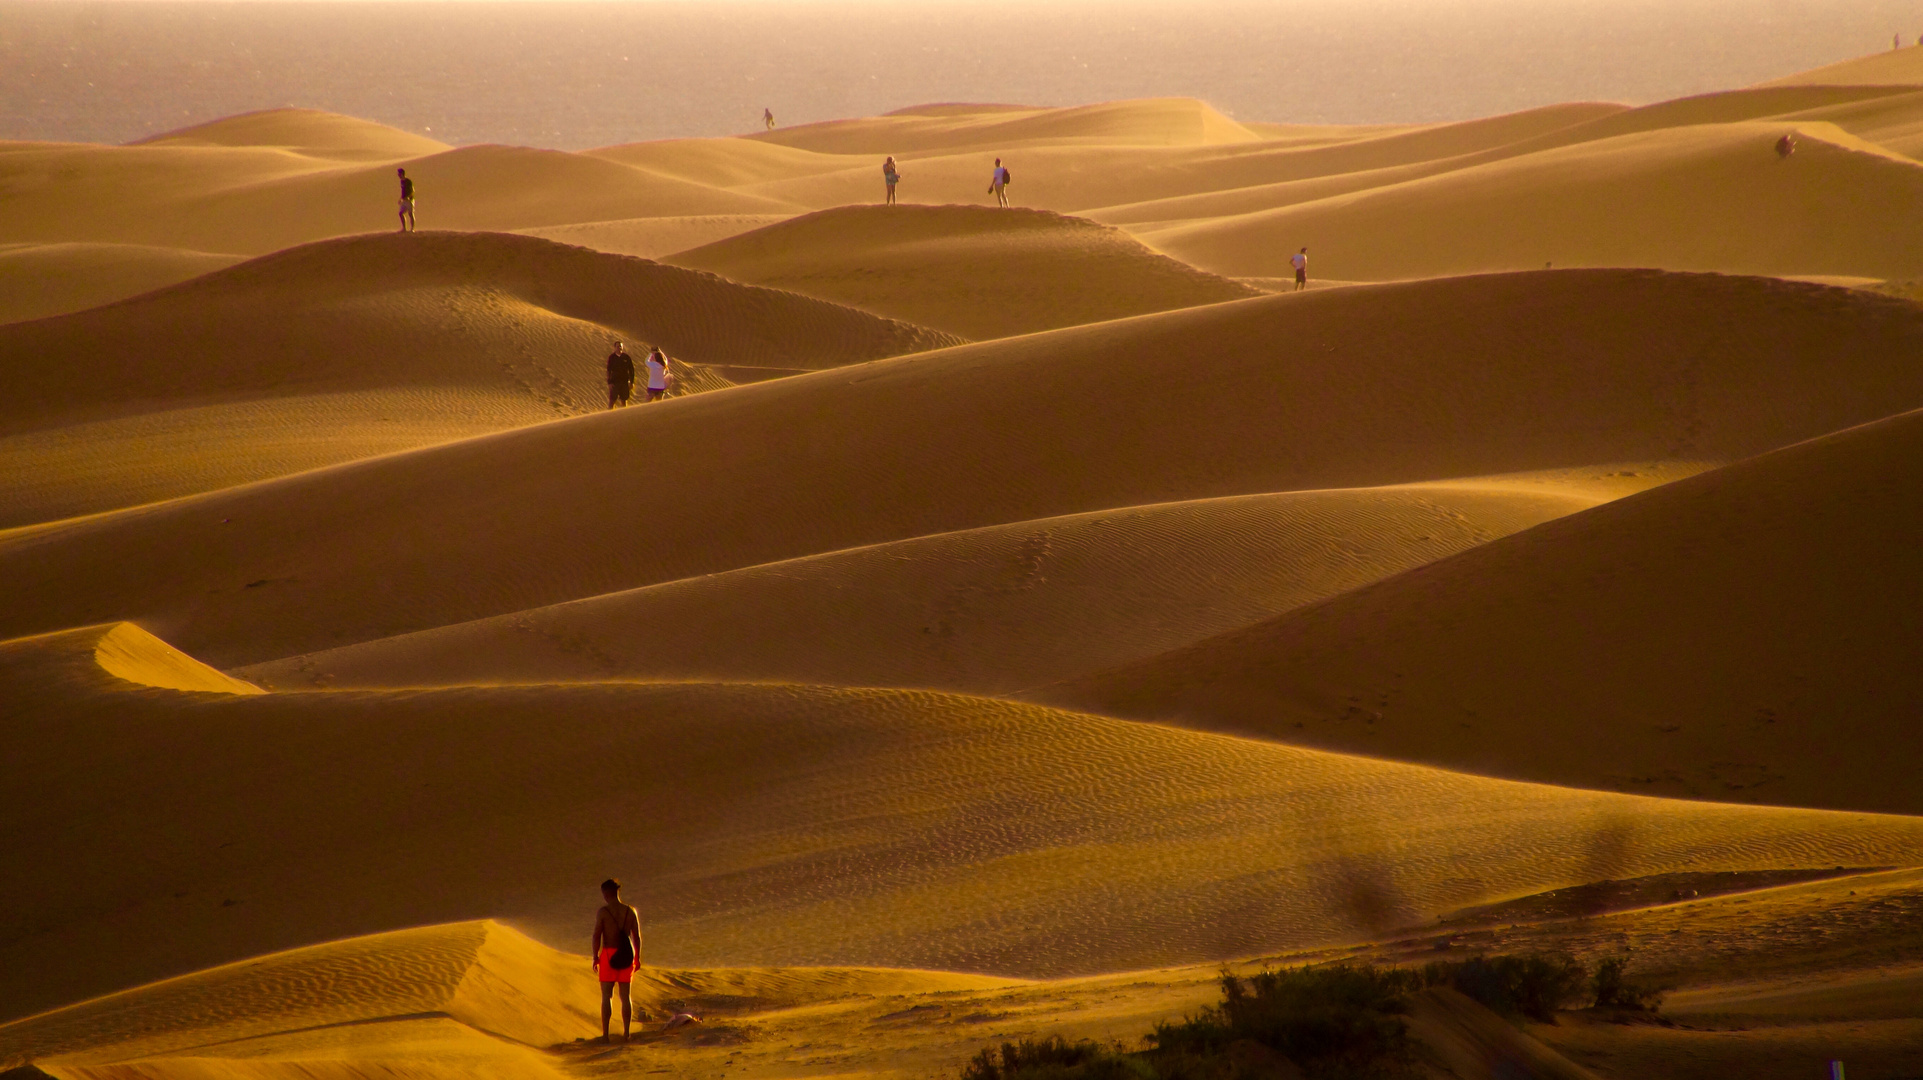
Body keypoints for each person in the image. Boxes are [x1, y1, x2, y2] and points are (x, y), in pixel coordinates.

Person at [591, 879, 642, 1043]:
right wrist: (637, 957)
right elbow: (636, 936)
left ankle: (605, 1035)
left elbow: (596, 935)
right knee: (625, 995)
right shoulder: (630, 911)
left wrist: (595, 957)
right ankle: (626, 1033)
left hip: (608, 954)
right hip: (627, 954)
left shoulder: (603, 912)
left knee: (607, 996)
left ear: (606, 893)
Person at [606, 342, 635, 409]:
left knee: (624, 400)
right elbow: (608, 370)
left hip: (624, 382)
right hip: (614, 382)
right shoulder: (612, 357)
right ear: (614, 347)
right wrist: (609, 382)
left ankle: (624, 415)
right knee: (612, 400)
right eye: (617, 346)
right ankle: (609, 415)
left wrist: (631, 382)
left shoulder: (626, 357)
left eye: (620, 346)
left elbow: (631, 370)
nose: (619, 348)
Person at [397, 168, 416, 233]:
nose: (398, 175)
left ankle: (412, 229)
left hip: (409, 200)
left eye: (399, 174)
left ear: (402, 174)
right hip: (404, 201)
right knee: (401, 213)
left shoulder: (408, 181)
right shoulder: (401, 181)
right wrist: (401, 199)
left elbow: (412, 191)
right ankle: (404, 228)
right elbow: (403, 191)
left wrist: (408, 197)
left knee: (410, 214)